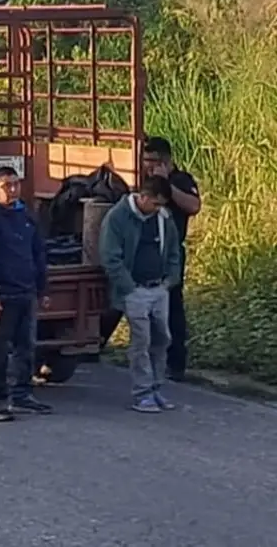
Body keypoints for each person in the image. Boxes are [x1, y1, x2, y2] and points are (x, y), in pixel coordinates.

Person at [0, 165, 53, 422]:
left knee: (26, 348)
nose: (14, 189)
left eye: (16, 184)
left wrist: (42, 289)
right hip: (2, 296)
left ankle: (22, 395)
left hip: (26, 292)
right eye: (7, 185)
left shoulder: (26, 216)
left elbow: (38, 253)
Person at [99, 175, 182, 413]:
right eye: (155, 204)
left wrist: (170, 280)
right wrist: (128, 286)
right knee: (141, 341)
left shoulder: (163, 218)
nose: (159, 209)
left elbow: (175, 250)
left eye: (162, 205)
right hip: (134, 290)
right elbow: (110, 256)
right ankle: (142, 393)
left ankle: (156, 388)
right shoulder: (118, 217)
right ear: (143, 197)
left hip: (159, 288)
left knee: (162, 339)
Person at [143, 136, 200, 382]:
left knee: (172, 306)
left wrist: (167, 185)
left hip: (172, 252)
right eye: (145, 160)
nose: (148, 166)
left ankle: (176, 363)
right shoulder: (144, 181)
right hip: (147, 251)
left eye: (153, 161)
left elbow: (194, 205)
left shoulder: (181, 180)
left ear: (166, 161)